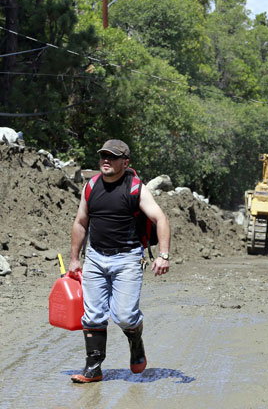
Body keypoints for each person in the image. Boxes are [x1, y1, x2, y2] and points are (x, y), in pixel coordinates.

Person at [68, 139, 171, 383]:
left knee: (124, 316)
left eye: (112, 157)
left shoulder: (136, 188)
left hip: (128, 258)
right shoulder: (91, 186)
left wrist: (164, 255)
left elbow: (161, 219)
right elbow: (80, 222)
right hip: (95, 257)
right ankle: (93, 368)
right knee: (93, 315)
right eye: (103, 155)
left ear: (125, 162)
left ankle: (136, 342)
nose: (106, 160)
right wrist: (74, 258)